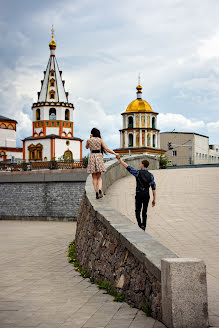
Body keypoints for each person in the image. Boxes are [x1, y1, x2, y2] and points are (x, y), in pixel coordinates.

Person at [117, 156, 156, 231]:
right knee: (144, 211)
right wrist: (154, 199)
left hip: (139, 194)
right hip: (146, 195)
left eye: (141, 164)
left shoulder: (137, 173)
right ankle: (144, 226)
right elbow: (153, 187)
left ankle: (140, 225)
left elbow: (128, 167)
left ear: (142, 165)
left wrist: (120, 160)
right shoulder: (151, 175)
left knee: (137, 211)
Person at [86, 128, 119, 199]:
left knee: (94, 177)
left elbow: (86, 147)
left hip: (92, 157)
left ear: (92, 133)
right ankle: (100, 189)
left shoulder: (89, 140)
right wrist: (114, 153)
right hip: (99, 157)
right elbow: (106, 149)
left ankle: (96, 192)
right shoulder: (100, 140)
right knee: (99, 177)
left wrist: (90, 138)